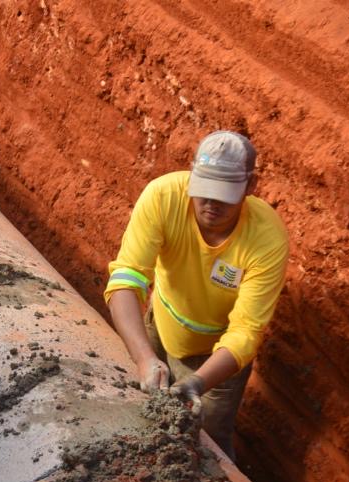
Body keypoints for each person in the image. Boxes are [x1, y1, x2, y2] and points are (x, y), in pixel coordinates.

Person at [105, 130, 289, 460]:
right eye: (203, 190)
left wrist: (197, 383)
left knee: (207, 442)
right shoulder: (163, 197)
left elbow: (245, 333)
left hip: (215, 358)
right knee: (138, 408)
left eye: (224, 194)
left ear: (250, 186)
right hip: (160, 325)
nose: (210, 203)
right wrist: (145, 358)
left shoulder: (265, 239)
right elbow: (126, 278)